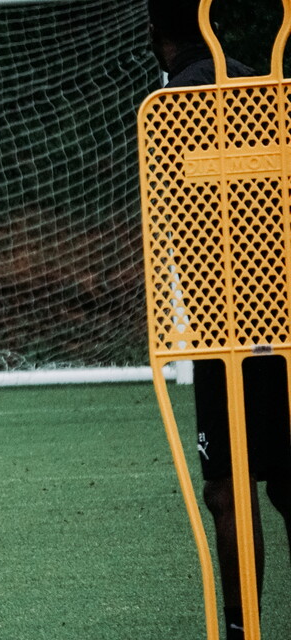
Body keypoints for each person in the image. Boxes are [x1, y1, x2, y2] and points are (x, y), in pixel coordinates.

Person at [148, 2, 291, 638]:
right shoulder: (264, 84)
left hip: (220, 319)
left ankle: (240, 630)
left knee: (230, 489)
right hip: (283, 313)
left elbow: (168, 217)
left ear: (158, 38)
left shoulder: (169, 104)